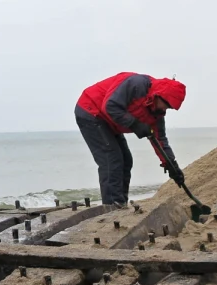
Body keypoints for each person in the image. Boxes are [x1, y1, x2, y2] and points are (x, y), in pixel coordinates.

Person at [75, 73, 187, 207]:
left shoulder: (156, 113)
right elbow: (110, 106)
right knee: (112, 158)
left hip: (109, 122)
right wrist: (135, 124)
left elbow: (160, 140)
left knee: (126, 160)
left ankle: (121, 202)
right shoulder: (136, 84)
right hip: (91, 110)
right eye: (166, 104)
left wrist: (171, 165)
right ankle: (112, 205)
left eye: (169, 107)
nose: (165, 109)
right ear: (159, 94)